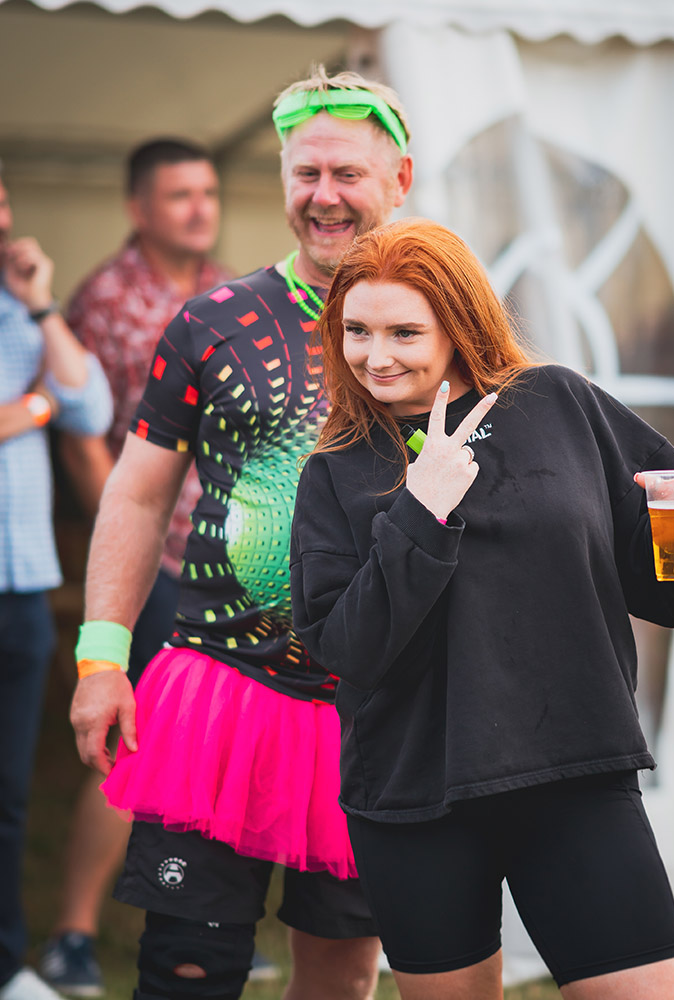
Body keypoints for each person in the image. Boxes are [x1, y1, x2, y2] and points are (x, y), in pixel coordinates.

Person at [289, 217, 674, 1000]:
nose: (376, 355)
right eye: (357, 331)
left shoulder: (559, 403)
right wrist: (421, 511)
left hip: (574, 769)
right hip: (416, 793)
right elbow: (348, 649)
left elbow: (673, 593)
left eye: (404, 332)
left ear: (459, 325)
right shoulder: (335, 469)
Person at [68, 67, 413, 1000]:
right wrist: (102, 660)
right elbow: (137, 497)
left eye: (347, 173)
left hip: (372, 710)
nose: (324, 196)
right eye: (306, 174)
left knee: (341, 977)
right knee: (187, 968)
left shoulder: (442, 330)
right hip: (219, 694)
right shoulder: (212, 322)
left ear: (400, 179)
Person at [38, 137, 251, 998]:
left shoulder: (227, 289)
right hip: (157, 559)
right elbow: (85, 440)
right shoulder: (107, 300)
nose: (200, 209)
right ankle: (74, 934)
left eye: (208, 193)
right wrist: (134, 554)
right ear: (137, 208)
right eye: (179, 195)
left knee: (222, 740)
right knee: (135, 744)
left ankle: (212, 921)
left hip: (230, 560)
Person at [0, 168, 112, 1000]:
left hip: (23, 582)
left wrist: (40, 304)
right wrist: (32, 409)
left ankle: (6, 963)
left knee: (8, 794)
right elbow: (51, 409)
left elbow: (88, 405)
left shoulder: (17, 313)